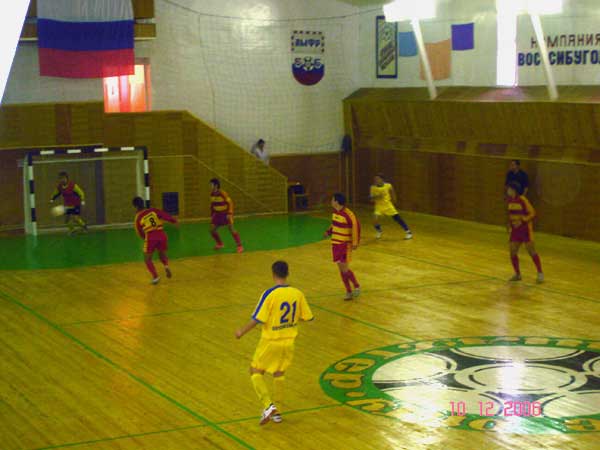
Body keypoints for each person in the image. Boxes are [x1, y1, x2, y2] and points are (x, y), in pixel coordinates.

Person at [235, 261, 314, 425]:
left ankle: (268, 405)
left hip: (271, 341)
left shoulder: (269, 294)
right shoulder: (297, 293)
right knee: (279, 373)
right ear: (287, 273)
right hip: (289, 342)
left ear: (273, 274)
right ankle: (278, 412)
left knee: (255, 370)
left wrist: (242, 331)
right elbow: (308, 317)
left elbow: (257, 318)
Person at [324, 193, 361, 300]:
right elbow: (334, 224)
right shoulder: (335, 213)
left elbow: (356, 227)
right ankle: (348, 291)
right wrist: (329, 232)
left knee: (345, 269)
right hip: (335, 244)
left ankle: (356, 286)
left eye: (332, 199)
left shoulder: (348, 214)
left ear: (336, 201)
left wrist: (355, 242)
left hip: (344, 245)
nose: (331, 201)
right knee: (341, 269)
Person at [133, 196, 178, 285]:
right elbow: (164, 215)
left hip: (151, 236)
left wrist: (145, 238)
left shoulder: (138, 217)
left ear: (135, 206)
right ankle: (166, 266)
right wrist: (174, 221)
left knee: (147, 259)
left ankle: (155, 277)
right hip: (162, 234)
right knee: (162, 254)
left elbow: (139, 231)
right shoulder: (153, 210)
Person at [506, 182, 544, 283]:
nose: (507, 190)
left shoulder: (522, 199)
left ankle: (540, 273)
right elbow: (510, 215)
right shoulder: (510, 201)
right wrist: (509, 225)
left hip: (525, 229)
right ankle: (517, 274)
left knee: (531, 251)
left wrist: (522, 220)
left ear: (514, 190)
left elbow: (532, 213)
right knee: (512, 251)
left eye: (509, 189)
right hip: (515, 231)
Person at [369, 174, 412, 240]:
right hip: (379, 206)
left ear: (382, 179)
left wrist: (394, 200)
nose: (376, 180)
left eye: (378, 179)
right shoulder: (373, 188)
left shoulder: (388, 185)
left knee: (397, 218)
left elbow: (392, 193)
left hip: (388, 205)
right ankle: (379, 231)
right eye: (375, 179)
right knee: (375, 219)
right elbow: (371, 199)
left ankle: (408, 232)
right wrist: (377, 196)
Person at [209, 178, 243, 253]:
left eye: (211, 184)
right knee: (212, 230)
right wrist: (212, 215)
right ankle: (220, 244)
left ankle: (240, 246)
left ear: (216, 185)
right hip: (217, 215)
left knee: (231, 229)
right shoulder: (211, 194)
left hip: (225, 214)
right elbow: (212, 205)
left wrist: (230, 213)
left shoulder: (222, 193)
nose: (210, 186)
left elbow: (230, 203)